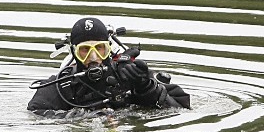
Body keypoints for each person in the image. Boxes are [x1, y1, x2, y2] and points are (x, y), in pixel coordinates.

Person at [28, 17, 191, 116]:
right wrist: (79, 117)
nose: (93, 57)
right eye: (84, 50)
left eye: (99, 48)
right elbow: (34, 112)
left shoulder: (127, 74)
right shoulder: (63, 86)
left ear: (109, 49)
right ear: (74, 52)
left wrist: (146, 87)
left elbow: (182, 107)